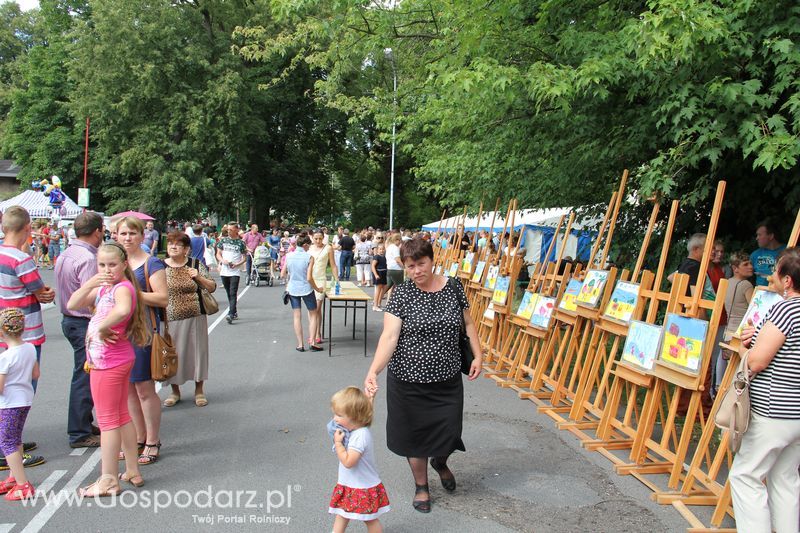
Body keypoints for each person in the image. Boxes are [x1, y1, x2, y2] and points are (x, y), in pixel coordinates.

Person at [364, 238, 483, 513]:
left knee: (450, 432)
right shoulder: (402, 294)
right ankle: (421, 486)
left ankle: (440, 461)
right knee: (413, 436)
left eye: (421, 263)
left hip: (446, 379)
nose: (416, 271)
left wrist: (478, 355)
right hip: (407, 381)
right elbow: (389, 337)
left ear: (432, 260)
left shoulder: (453, 287)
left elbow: (468, 322)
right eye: (410, 266)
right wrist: (374, 371)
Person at [67, 243, 149, 497]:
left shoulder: (122, 288)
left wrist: (103, 327)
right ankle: (132, 470)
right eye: (101, 265)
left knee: (108, 422)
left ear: (124, 264)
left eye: (112, 264)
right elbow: (72, 304)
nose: (107, 269)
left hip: (109, 363)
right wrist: (90, 284)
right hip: (112, 360)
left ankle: (109, 479)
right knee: (121, 416)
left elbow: (123, 310)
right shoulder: (105, 287)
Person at [729, 247, 800, 533]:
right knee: (785, 479)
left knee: (745, 477)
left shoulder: (786, 308)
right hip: (796, 414)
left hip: (773, 410)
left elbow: (758, 361)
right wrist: (757, 336)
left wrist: (746, 349)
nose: (771, 276)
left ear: (788, 280)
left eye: (776, 271)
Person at [0, 207, 54, 469]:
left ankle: (12, 440)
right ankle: (9, 447)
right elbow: (40, 291)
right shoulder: (21, 260)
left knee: (8, 387)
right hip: (26, 331)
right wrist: (46, 293)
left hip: (5, 328)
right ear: (26, 228)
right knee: (21, 391)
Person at [116, 216, 167, 466]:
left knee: (145, 390)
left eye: (132, 233)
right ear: (116, 236)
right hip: (119, 333)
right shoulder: (115, 263)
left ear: (142, 236)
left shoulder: (151, 263)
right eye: (123, 233)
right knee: (127, 390)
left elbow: (163, 299)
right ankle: (138, 437)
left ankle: (152, 441)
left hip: (142, 332)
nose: (128, 238)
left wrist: (132, 293)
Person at [55, 211, 104, 449]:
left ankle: (83, 422)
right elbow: (90, 294)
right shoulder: (88, 258)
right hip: (82, 320)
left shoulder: (67, 253)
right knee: (85, 376)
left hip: (69, 319)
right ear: (97, 231)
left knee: (83, 374)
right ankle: (79, 431)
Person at [162, 232, 216, 408]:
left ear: (186, 249)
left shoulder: (195, 264)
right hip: (170, 318)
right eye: (170, 243)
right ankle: (175, 391)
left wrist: (198, 277)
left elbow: (212, 286)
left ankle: (199, 390)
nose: (173, 247)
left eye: (177, 244)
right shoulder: (160, 266)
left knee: (197, 353)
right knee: (172, 355)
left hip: (195, 316)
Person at [328, 386, 390, 532]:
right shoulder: (357, 428)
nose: (335, 419)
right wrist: (370, 399)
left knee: (369, 519)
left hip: (361, 487)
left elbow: (348, 462)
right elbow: (364, 413)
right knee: (342, 514)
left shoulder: (359, 436)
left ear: (354, 417)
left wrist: (338, 443)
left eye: (339, 415)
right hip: (350, 484)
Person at [0, 308, 40, 501]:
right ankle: (13, 477)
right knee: (15, 439)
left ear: (1, 333)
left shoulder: (5, 357)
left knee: (6, 441)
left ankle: (23, 484)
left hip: (9, 403)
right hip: (25, 399)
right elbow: (35, 374)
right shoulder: (30, 348)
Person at [715, 251, 754, 391]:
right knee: (737, 370)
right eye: (746, 264)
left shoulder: (727, 283)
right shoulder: (746, 285)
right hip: (741, 332)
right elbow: (754, 308)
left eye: (750, 263)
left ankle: (718, 388)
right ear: (735, 268)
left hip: (728, 330)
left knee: (725, 364)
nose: (750, 266)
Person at [281, 235, 322, 352]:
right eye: (309, 245)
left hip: (293, 289)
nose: (309, 247)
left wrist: (289, 282)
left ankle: (300, 344)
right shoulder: (309, 257)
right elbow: (309, 278)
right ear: (305, 245)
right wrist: (317, 289)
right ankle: (312, 342)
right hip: (306, 289)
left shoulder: (289, 256)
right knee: (313, 314)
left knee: (297, 316)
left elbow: (282, 274)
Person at [308, 230, 338, 345]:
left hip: (321, 280)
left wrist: (336, 280)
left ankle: (317, 333)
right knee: (311, 309)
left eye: (320, 238)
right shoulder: (309, 248)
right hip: (309, 280)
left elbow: (333, 265)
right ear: (312, 238)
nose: (318, 241)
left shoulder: (328, 248)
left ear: (323, 238)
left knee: (317, 308)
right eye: (316, 238)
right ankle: (313, 333)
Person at [216, 223, 247, 324]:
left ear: (237, 230)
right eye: (228, 230)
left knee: (233, 292)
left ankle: (230, 313)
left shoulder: (241, 243)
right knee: (228, 292)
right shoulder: (223, 240)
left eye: (231, 230)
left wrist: (237, 264)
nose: (229, 231)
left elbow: (245, 258)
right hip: (224, 271)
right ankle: (234, 311)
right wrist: (222, 261)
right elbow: (218, 254)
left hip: (235, 271)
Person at [750, 221, 785, 287]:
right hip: (760, 291)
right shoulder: (755, 255)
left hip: (782, 290)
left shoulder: (787, 251)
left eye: (759, 235)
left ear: (771, 236)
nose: (757, 238)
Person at [371, 245, 387, 312]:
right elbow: (373, 266)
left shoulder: (384, 257)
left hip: (384, 273)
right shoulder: (376, 257)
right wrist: (376, 275)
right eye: (380, 249)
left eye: (383, 249)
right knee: (378, 290)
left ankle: (379, 304)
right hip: (378, 273)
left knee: (383, 289)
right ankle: (375, 306)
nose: (382, 250)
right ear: (377, 250)